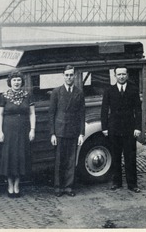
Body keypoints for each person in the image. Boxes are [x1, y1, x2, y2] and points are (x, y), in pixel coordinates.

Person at [101, 65, 142, 193]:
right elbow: (104, 110)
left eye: (123, 74)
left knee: (130, 157)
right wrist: (105, 128)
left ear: (127, 75)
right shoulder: (109, 91)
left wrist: (138, 127)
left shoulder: (133, 90)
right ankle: (116, 182)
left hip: (130, 130)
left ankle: (132, 184)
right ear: (115, 76)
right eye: (119, 74)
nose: (121, 76)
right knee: (115, 156)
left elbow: (138, 110)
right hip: (114, 129)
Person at [0, 71, 35, 198]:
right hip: (8, 132)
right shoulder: (4, 97)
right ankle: (9, 185)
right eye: (14, 80)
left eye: (18, 80)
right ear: (10, 82)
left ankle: (17, 185)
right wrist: (0, 131)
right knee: (9, 158)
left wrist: (32, 129)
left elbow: (32, 114)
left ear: (21, 81)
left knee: (20, 157)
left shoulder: (27, 96)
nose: (16, 82)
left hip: (23, 131)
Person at [48, 65, 85, 197]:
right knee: (59, 161)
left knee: (71, 160)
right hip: (59, 131)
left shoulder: (79, 92)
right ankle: (58, 187)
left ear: (74, 76)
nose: (69, 77)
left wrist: (81, 133)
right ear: (63, 76)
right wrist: (52, 133)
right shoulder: (56, 92)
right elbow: (51, 114)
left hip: (73, 131)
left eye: (71, 75)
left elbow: (82, 114)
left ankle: (69, 187)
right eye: (67, 75)